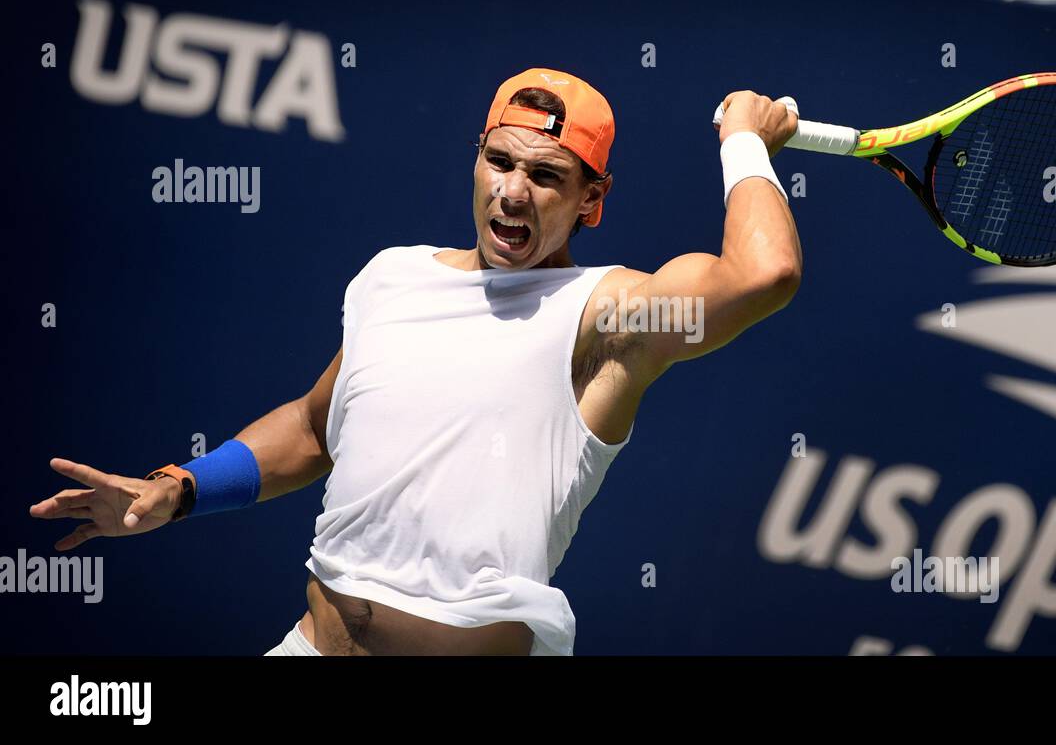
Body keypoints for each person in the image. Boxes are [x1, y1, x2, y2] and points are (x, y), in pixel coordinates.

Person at [31, 67, 802, 655]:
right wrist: (179, 488)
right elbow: (311, 429)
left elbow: (763, 275)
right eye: (500, 161)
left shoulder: (608, 318)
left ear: (591, 202)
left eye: (546, 177)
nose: (514, 193)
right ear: (477, 159)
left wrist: (742, 140)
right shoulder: (391, 277)